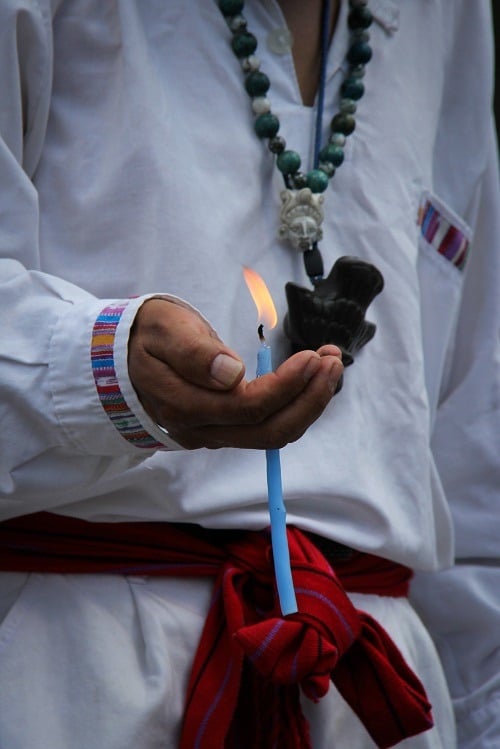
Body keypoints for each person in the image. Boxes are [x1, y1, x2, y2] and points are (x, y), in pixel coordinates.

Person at [0, 0, 498, 747]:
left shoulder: (450, 15)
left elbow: (470, 449)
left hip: (372, 693)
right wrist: (101, 362)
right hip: (75, 685)